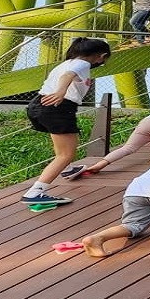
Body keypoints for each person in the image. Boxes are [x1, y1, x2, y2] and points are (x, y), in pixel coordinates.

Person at [20, 37, 113, 207]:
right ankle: (35, 192)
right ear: (102, 56)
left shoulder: (67, 62)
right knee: (66, 154)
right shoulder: (82, 64)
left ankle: (68, 169)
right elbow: (68, 76)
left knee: (62, 150)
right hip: (57, 106)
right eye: (104, 59)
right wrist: (61, 91)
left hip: (38, 104)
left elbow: (67, 74)